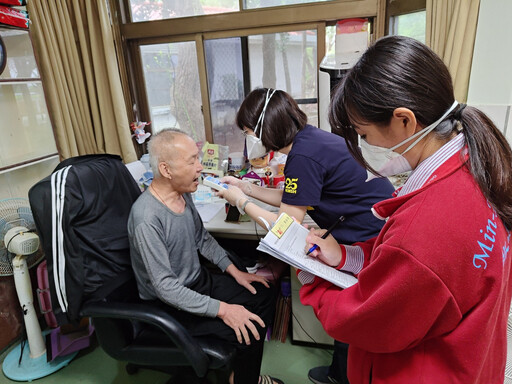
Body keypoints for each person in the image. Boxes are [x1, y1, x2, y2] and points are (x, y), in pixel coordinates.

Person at [300, 35, 512, 384]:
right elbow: (410, 275)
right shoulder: (474, 166)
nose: (365, 146)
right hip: (472, 359)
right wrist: (345, 258)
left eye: (364, 134)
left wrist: (312, 279)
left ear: (403, 121)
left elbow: (367, 320)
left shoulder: (427, 226)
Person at [215, 88, 395, 384]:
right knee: (350, 310)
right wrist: (246, 187)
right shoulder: (310, 140)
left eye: (248, 132)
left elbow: (286, 227)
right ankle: (339, 373)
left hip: (368, 239)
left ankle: (344, 376)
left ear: (265, 129)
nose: (248, 141)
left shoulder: (303, 156)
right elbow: (294, 195)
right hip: (368, 231)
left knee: (352, 312)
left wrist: (240, 201)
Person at [127, 129, 284, 384]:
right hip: (169, 304)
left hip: (198, 282)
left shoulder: (182, 194)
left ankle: (239, 374)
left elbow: (202, 239)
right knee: (251, 327)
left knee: (264, 293)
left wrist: (236, 272)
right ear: (166, 170)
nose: (200, 167)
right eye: (192, 161)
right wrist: (224, 311)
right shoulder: (146, 218)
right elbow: (166, 288)